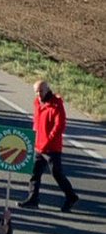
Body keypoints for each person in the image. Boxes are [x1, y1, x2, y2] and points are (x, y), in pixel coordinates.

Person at [19, 80, 79, 212]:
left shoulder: (56, 105)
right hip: (39, 146)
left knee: (57, 173)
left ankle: (71, 196)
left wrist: (48, 140)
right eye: (36, 92)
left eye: (41, 91)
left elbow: (59, 126)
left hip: (51, 148)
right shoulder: (37, 103)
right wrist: (35, 137)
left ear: (47, 90)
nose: (38, 94)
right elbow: (36, 122)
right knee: (35, 173)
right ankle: (33, 198)